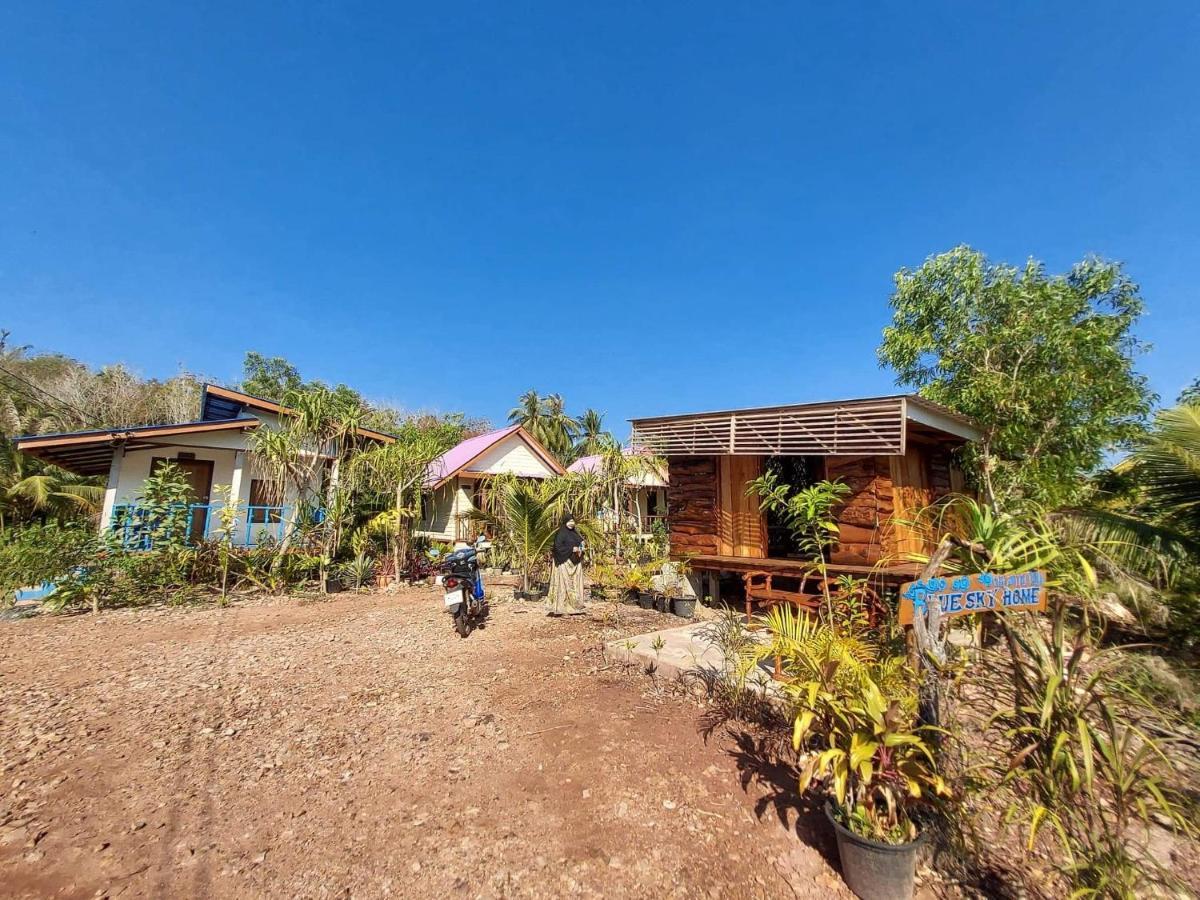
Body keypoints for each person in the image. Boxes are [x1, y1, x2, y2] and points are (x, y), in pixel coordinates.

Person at [547, 513, 586, 616]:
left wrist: (581, 546)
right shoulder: (561, 533)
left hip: (575, 562)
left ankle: (575, 606)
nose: (572, 523)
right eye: (569, 521)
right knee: (564, 585)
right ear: (565, 522)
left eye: (573, 521)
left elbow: (580, 542)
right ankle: (562, 608)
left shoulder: (575, 533)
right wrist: (571, 549)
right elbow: (557, 547)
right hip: (564, 563)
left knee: (574, 584)